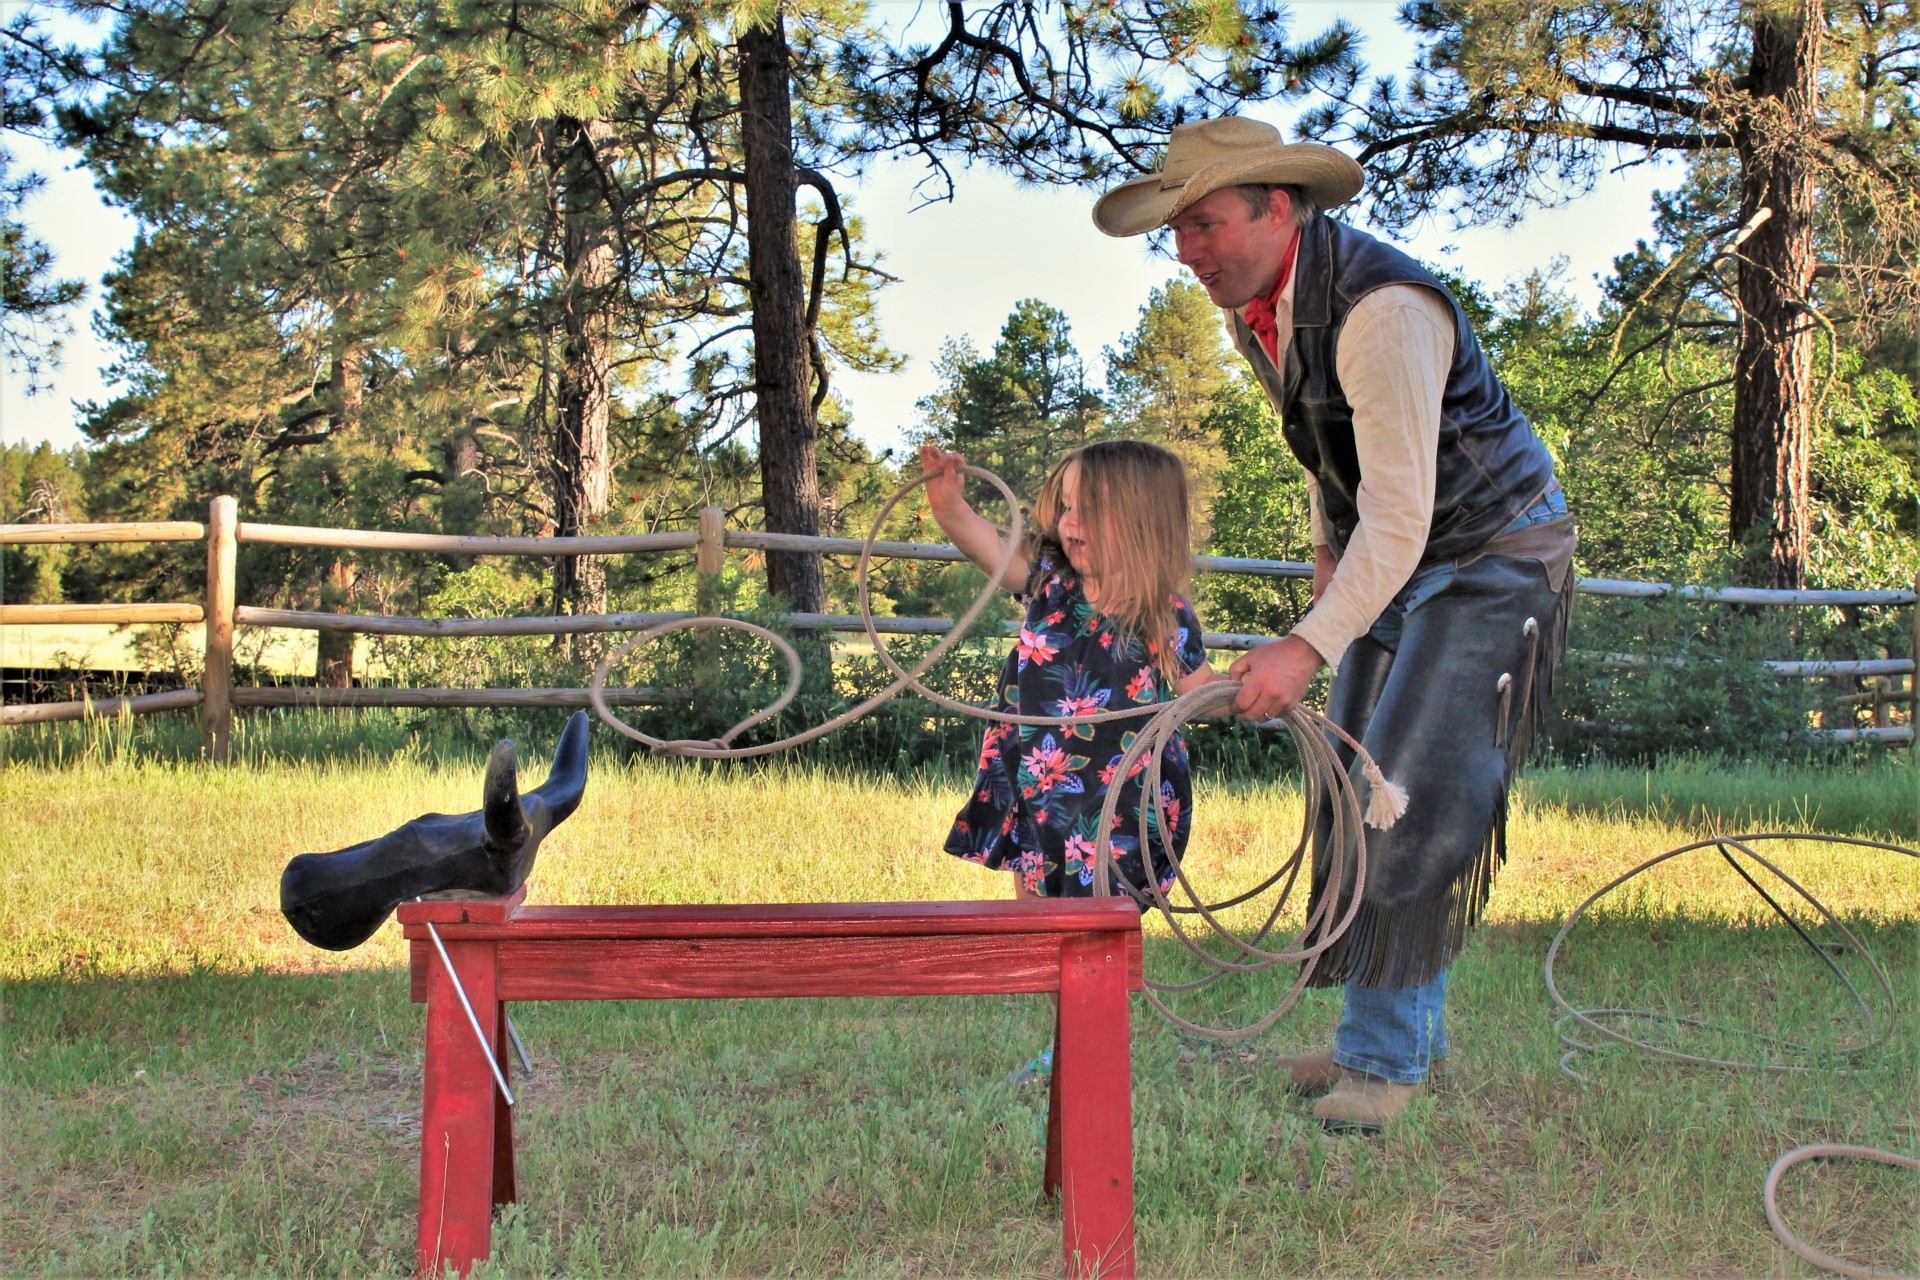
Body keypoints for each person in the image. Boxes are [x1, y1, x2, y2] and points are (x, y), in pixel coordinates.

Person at [1092, 116, 1577, 1134]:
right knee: (1355, 780)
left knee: (1401, 787)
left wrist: (1309, 642)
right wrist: (1327, 593)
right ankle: (1388, 1035)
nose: (1186, 251)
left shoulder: (1383, 311)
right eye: (1175, 231)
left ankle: (1384, 1064)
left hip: (1493, 551)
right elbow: (1337, 461)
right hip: (1399, 549)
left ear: (1278, 208)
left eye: (1204, 223)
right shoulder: (1258, 310)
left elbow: (1401, 511)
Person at [921, 439, 1221, 908]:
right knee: (1040, 925)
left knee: (1102, 927)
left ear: (1144, 522)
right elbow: (990, 550)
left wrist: (1251, 693)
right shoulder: (1049, 581)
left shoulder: (1163, 615)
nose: (1069, 522)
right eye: (1066, 506)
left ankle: (1101, 981)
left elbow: (1199, 691)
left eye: (1088, 509)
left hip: (1121, 805)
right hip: (1037, 789)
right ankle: (1049, 979)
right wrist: (951, 508)